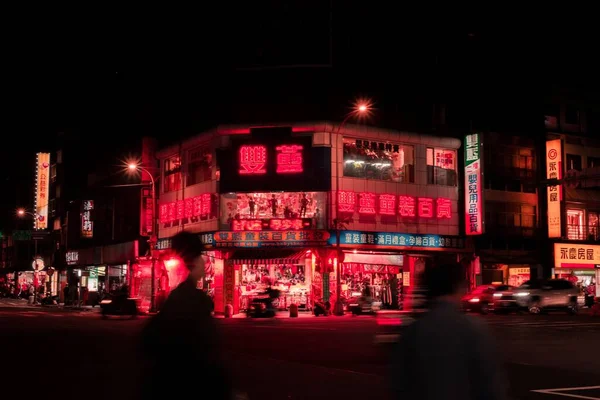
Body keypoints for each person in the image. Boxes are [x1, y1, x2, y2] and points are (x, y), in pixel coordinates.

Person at [390, 263, 507, 400]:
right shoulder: (474, 328)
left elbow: (400, 384)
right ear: (458, 288)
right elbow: (491, 385)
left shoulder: (413, 331)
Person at [140, 231, 230, 399]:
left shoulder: (176, 300)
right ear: (194, 262)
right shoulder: (194, 302)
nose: (205, 263)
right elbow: (206, 359)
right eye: (202, 257)